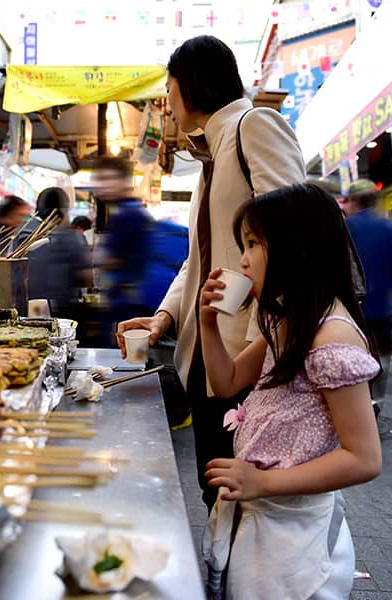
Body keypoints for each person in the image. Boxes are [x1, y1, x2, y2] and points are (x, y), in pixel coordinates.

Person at [116, 35, 305, 511]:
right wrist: (162, 319)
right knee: (216, 495)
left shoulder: (254, 127)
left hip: (247, 358)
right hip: (209, 356)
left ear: (192, 86)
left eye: (170, 87)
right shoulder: (213, 155)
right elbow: (198, 258)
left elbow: (294, 238)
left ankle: (237, 581)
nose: (168, 102)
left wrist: (267, 348)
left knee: (242, 500)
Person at [199, 184, 382, 599]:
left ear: (294, 246)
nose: (242, 260)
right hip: (265, 525)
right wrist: (207, 322)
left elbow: (364, 458)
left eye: (252, 244)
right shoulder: (290, 322)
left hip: (295, 535)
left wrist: (263, 483)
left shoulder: (332, 338)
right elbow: (226, 381)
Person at [342, 180, 392, 401]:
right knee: (380, 359)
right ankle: (375, 403)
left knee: (352, 360)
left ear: (354, 200)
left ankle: (356, 408)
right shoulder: (390, 227)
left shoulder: (346, 228)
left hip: (352, 311)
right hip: (384, 310)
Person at [94, 157, 155, 343]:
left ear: (123, 181)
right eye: (100, 180)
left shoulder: (127, 214)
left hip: (127, 305)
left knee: (121, 358)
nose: (103, 186)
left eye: (108, 178)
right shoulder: (131, 210)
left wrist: (99, 259)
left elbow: (111, 260)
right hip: (127, 303)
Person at [24, 187, 92, 317]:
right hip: (63, 316)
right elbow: (86, 278)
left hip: (27, 312)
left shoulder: (21, 235)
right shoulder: (72, 237)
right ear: (64, 210)